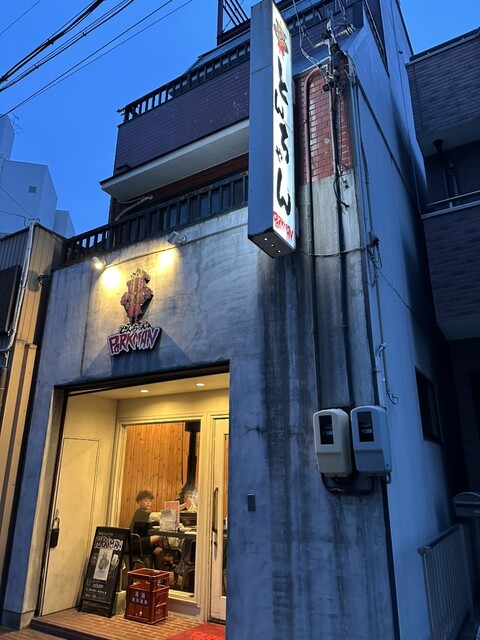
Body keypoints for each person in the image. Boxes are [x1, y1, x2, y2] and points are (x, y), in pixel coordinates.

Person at [130, 490, 165, 569]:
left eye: (150, 501)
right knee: (159, 537)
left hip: (144, 542)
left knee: (159, 551)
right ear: (139, 502)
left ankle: (161, 572)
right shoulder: (139, 513)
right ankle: (166, 559)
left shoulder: (146, 514)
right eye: (146, 500)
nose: (148, 503)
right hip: (136, 542)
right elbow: (156, 516)